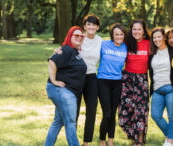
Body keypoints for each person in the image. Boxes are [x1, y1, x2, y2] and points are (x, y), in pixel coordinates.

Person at [54, 15, 102, 146]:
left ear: (97, 27)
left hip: (91, 77)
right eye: (88, 24)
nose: (91, 27)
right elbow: (66, 47)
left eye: (94, 24)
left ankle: (86, 142)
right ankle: (72, 142)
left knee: (92, 110)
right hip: (75, 78)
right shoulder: (79, 38)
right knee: (73, 111)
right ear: (85, 26)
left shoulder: (100, 41)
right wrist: (57, 50)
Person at [45, 26, 87, 146]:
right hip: (62, 91)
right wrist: (53, 80)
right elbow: (52, 61)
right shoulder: (67, 49)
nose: (79, 38)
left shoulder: (74, 50)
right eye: (76, 35)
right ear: (70, 36)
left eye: (81, 36)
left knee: (58, 122)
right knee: (70, 122)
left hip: (67, 92)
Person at [118, 19, 150, 146]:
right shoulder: (126, 43)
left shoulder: (149, 43)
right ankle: (132, 140)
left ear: (143, 31)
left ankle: (140, 141)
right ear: (131, 31)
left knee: (140, 111)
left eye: (139, 29)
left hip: (142, 80)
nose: (136, 32)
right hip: (127, 80)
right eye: (134, 29)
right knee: (127, 110)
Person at [148, 27, 173, 146]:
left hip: (171, 88)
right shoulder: (152, 53)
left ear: (164, 37)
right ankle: (171, 136)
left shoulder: (172, 50)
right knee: (155, 115)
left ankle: (169, 142)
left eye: (159, 36)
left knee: (172, 116)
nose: (156, 39)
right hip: (157, 89)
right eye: (154, 37)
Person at [97, 23, 127, 146]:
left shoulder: (126, 47)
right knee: (107, 113)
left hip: (117, 82)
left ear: (124, 35)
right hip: (103, 81)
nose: (119, 36)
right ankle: (102, 140)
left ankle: (111, 141)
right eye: (116, 34)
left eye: (121, 34)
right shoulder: (103, 44)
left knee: (113, 113)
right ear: (112, 35)